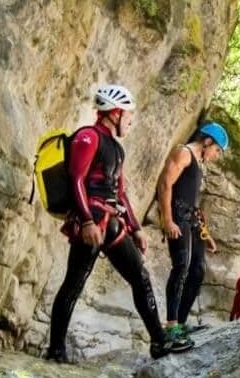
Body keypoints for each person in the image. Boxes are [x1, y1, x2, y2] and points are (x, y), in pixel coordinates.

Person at [46, 83, 190, 362]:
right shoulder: (87, 137)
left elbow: (119, 192)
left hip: (110, 223)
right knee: (73, 284)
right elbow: (76, 178)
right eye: (128, 113)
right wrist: (87, 221)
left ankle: (159, 342)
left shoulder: (116, 148)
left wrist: (135, 229)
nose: (130, 119)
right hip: (91, 224)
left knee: (140, 277)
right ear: (114, 113)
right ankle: (55, 350)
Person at [155, 122, 228, 345]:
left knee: (197, 269)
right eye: (217, 150)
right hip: (176, 216)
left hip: (190, 219)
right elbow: (165, 184)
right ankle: (171, 326)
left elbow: (192, 202)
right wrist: (167, 219)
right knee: (181, 267)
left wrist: (205, 234)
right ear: (207, 141)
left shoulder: (198, 162)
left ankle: (182, 323)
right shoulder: (184, 152)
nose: (216, 156)